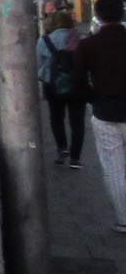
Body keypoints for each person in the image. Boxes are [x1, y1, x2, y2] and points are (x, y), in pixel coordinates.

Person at [71, 0, 126, 233]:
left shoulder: (88, 45)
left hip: (105, 111)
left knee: (114, 167)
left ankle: (123, 219)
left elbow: (78, 80)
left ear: (97, 16)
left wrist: (94, 98)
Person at [36, 9, 86, 168]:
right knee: (77, 121)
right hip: (77, 84)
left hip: (52, 85)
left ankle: (62, 148)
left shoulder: (44, 41)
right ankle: (75, 158)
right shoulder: (80, 39)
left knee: (56, 117)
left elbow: (39, 67)